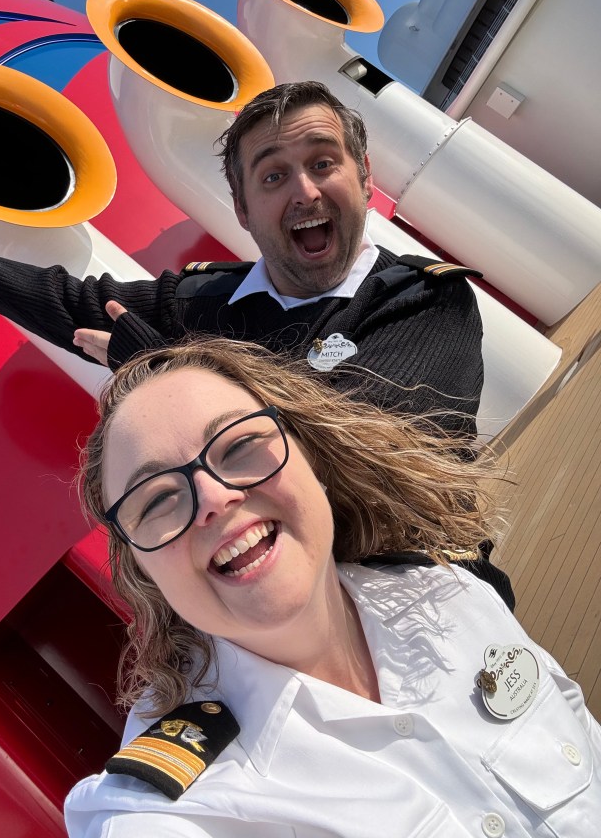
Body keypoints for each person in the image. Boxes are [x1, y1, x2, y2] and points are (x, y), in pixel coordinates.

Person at [64, 339, 600, 837]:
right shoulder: (168, 809)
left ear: (311, 456)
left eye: (240, 444)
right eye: (157, 500)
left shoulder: (444, 589)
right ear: (143, 571)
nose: (213, 498)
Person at [0, 81, 484, 439]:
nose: (304, 191)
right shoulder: (205, 296)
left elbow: (356, 460)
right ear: (242, 209)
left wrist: (163, 371)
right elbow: (73, 302)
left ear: (365, 177)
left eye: (323, 163)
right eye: (273, 176)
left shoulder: (428, 299)